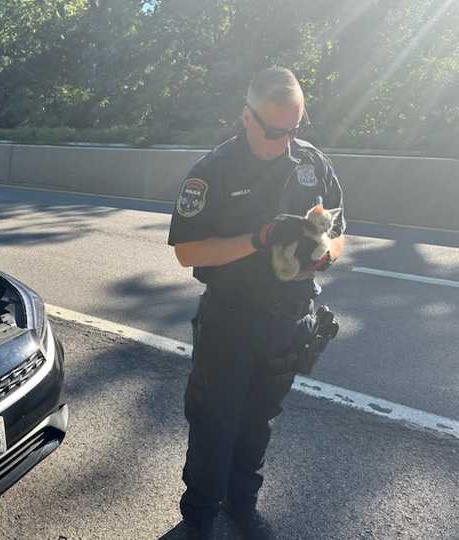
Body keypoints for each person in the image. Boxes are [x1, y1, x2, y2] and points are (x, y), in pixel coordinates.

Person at [168, 67, 346, 540]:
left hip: (290, 321)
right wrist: (260, 237)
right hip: (231, 320)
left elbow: (341, 231)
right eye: (275, 130)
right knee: (215, 424)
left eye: (295, 127)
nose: (286, 141)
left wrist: (323, 254)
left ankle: (241, 504)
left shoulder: (311, 162)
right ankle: (199, 519)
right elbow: (188, 251)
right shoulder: (213, 170)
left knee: (258, 423)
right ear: (246, 117)